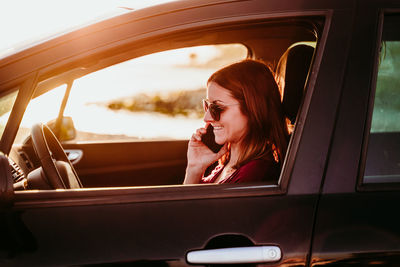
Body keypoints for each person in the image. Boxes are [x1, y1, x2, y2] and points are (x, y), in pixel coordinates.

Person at [184, 59, 289, 184]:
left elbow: (188, 204)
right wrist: (194, 168)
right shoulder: (228, 165)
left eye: (217, 108)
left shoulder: (252, 175)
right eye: (207, 106)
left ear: (252, 109)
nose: (207, 118)